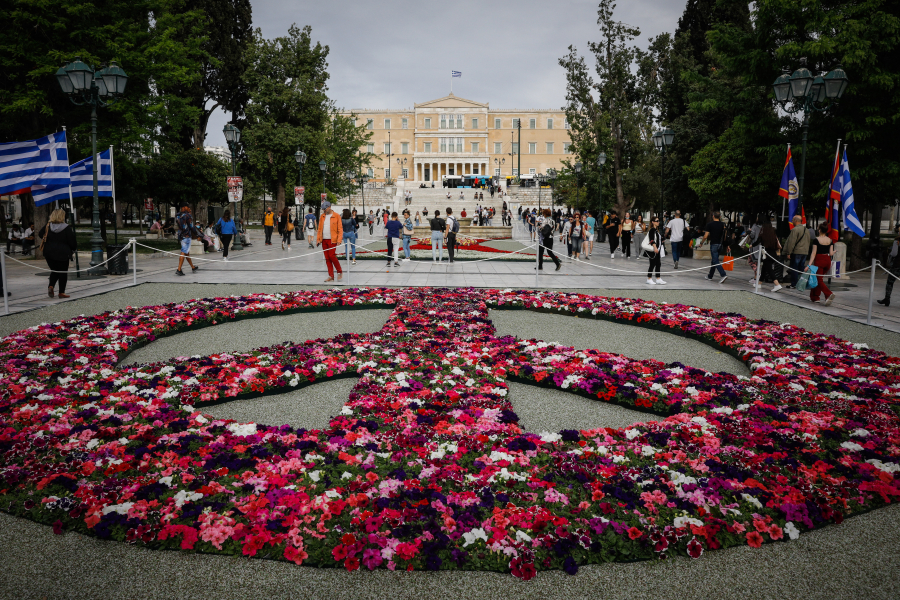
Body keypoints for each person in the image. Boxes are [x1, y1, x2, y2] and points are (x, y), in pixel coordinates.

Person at [38, 208, 77, 298]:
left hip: (49, 252)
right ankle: (61, 292)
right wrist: (73, 249)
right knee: (62, 272)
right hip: (63, 252)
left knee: (55, 270)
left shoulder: (47, 226)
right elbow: (72, 241)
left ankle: (51, 286)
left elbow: (40, 234)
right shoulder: (66, 228)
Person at [807, 222, 835, 305]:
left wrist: (809, 264)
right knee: (818, 279)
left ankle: (828, 294)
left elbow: (813, 253)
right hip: (827, 260)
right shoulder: (830, 240)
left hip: (819, 260)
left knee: (819, 280)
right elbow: (831, 253)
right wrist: (834, 251)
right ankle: (815, 297)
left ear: (819, 230)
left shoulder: (816, 240)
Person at [316, 200, 343, 282]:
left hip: (332, 240)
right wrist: (318, 239)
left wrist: (339, 239)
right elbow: (320, 229)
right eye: (323, 209)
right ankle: (331, 276)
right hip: (324, 240)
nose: (324, 210)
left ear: (329, 207)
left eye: (325, 209)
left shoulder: (337, 216)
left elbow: (340, 229)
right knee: (327, 258)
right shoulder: (322, 216)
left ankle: (339, 271)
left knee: (332, 256)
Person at [699, 211, 729, 284]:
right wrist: (727, 245)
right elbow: (725, 236)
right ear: (720, 217)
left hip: (714, 244)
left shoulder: (709, 225)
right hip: (720, 244)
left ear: (713, 216)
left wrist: (701, 243)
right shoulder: (723, 224)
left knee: (715, 261)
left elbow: (705, 236)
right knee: (714, 261)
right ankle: (710, 276)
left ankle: (723, 274)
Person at [781, 215, 810, 289]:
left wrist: (789, 252)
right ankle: (802, 283)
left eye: (793, 220)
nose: (792, 221)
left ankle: (794, 284)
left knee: (794, 268)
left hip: (797, 251)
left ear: (796, 221)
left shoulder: (795, 230)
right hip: (805, 252)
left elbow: (791, 242)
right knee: (801, 268)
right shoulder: (806, 230)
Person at [758, 220, 783, 292]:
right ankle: (759, 283)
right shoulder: (773, 234)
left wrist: (750, 245)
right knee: (765, 268)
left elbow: (758, 241)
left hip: (766, 254)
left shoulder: (763, 235)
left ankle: (777, 284)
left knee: (769, 269)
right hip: (773, 254)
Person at [175, 205, 200, 276]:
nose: (189, 208)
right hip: (186, 235)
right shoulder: (188, 216)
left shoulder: (178, 215)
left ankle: (193, 267)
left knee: (186, 252)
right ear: (184, 207)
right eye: (188, 207)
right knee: (184, 251)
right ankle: (179, 269)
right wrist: (197, 234)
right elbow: (191, 226)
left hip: (180, 235)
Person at [878, 236, 900, 306]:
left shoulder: (897, 241)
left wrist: (890, 254)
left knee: (890, 282)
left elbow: (894, 253)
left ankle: (887, 299)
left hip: (897, 265)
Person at [645, 216, 666, 285]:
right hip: (653, 250)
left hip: (657, 249)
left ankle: (658, 278)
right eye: (657, 221)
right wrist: (655, 248)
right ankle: (649, 278)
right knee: (652, 264)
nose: (658, 222)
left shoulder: (656, 230)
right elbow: (652, 240)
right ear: (653, 222)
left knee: (658, 264)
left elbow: (656, 239)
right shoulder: (652, 230)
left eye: (658, 221)